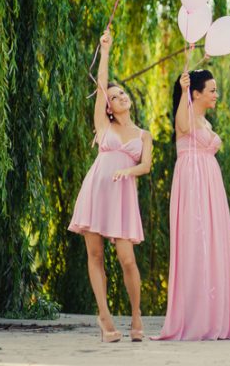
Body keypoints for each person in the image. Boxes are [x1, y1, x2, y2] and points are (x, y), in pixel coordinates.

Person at [69, 30, 152, 342]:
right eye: (114, 97)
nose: (120, 97)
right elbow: (100, 84)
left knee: (127, 259)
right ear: (107, 107)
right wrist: (105, 52)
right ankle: (104, 317)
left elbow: (145, 165)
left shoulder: (144, 135)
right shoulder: (103, 125)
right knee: (96, 254)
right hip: (96, 190)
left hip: (122, 194)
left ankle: (135, 315)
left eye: (122, 94)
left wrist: (128, 173)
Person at [154, 70, 230, 341]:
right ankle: (194, 316)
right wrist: (183, 89)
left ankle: (213, 313)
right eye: (212, 90)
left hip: (210, 181)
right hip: (193, 180)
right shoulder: (187, 117)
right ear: (197, 93)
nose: (216, 94)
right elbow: (182, 124)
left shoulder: (204, 119)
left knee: (212, 240)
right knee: (195, 238)